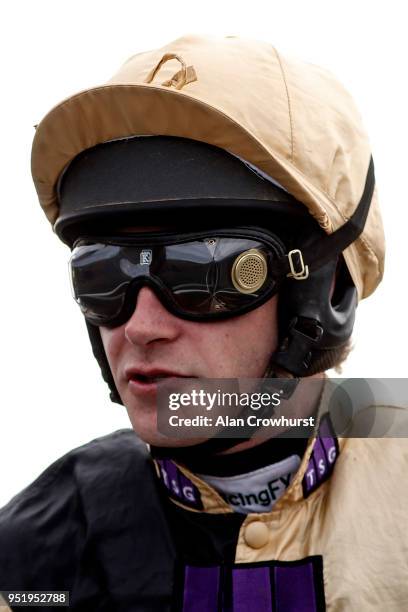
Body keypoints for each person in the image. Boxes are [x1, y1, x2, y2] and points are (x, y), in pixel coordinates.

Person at [1, 35, 407, 611]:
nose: (141, 327)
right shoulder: (34, 554)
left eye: (204, 275)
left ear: (326, 291)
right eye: (103, 275)